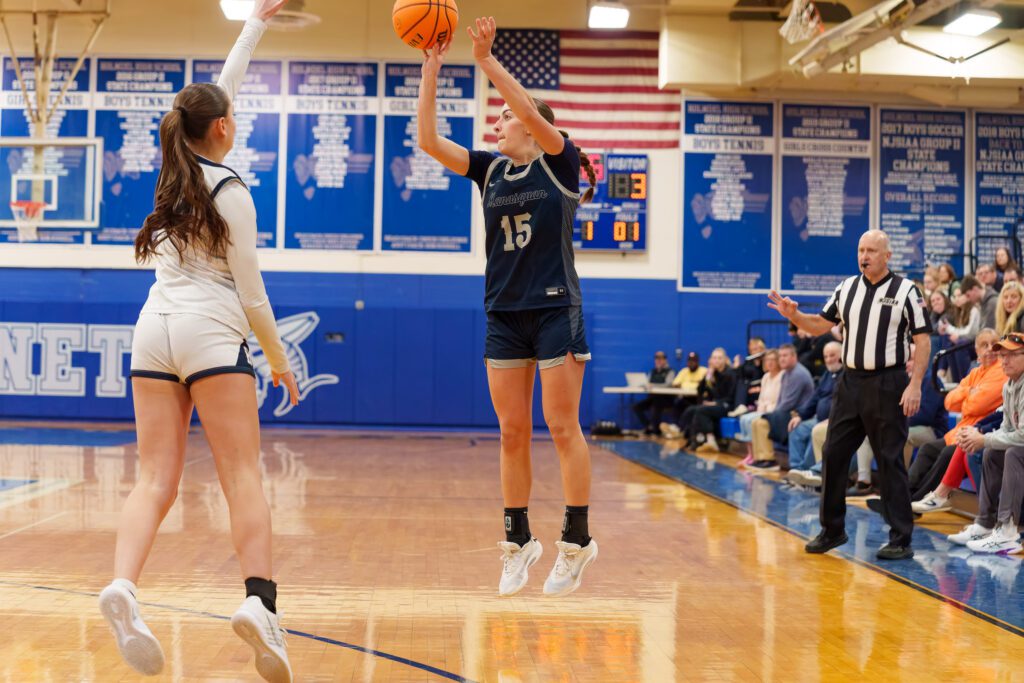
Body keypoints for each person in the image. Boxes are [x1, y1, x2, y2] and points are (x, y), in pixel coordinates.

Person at [98, 3, 298, 682]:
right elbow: (253, 296)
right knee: (242, 473)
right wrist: (278, 360)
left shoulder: (171, 170)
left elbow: (219, 89)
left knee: (154, 477)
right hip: (212, 332)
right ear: (222, 129)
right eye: (231, 116)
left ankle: (123, 585)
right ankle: (258, 603)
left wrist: (255, 27)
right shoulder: (232, 190)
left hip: (153, 331)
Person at [417, 18, 599, 597]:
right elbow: (427, 140)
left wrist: (488, 61)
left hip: (553, 310)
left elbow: (526, 108)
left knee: (561, 425)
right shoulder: (491, 171)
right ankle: (519, 541)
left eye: (502, 116)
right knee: (511, 431)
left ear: (528, 123)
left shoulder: (558, 161)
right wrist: (431, 70)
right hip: (502, 312)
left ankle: (577, 540)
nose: (496, 122)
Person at [768, 230, 931, 560]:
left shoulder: (906, 291)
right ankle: (832, 529)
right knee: (833, 451)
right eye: (860, 249)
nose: (864, 255)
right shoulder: (846, 288)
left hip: (888, 382)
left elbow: (923, 340)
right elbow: (819, 324)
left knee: (888, 457)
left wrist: (914, 385)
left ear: (887, 256)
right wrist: (794, 315)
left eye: (871, 250)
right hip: (850, 382)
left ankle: (900, 537)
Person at [910, 329, 1005, 511]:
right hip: (960, 431)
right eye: (984, 345)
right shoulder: (976, 372)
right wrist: (970, 392)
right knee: (927, 449)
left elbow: (976, 406)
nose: (990, 349)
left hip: (977, 433)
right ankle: (902, 496)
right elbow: (949, 402)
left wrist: (965, 399)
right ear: (976, 350)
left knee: (947, 454)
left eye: (994, 344)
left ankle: (915, 501)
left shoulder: (1000, 371)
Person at [950, 333, 1024, 555]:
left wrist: (984, 438)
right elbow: (1007, 428)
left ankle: (1008, 532)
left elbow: (1022, 436)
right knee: (992, 451)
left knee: (1013, 453)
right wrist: (982, 437)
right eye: (1002, 355)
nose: (1004, 360)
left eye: (1011, 355)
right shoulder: (1009, 385)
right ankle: (985, 524)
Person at [746, 343, 815, 470]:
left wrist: (772, 415)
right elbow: (781, 401)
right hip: (789, 412)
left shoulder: (798, 374)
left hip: (800, 415)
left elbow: (788, 403)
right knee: (757, 422)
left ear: (794, 357)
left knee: (762, 421)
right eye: (780, 356)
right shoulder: (787, 372)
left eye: (785, 356)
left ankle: (769, 460)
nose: (781, 359)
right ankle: (762, 458)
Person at [785, 341, 843, 479]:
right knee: (796, 428)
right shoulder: (827, 375)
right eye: (826, 356)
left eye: (832, 355)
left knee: (816, 431)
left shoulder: (848, 375)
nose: (829, 359)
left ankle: (810, 472)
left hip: (834, 421)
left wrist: (833, 418)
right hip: (819, 419)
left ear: (842, 355)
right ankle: (796, 470)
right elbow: (815, 398)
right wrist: (800, 416)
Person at [668, 347, 735, 453]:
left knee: (701, 410)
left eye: (719, 358)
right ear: (710, 360)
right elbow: (700, 390)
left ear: (725, 359)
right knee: (691, 409)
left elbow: (730, 396)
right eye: (714, 358)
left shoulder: (730, 373)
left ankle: (710, 440)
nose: (716, 360)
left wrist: (716, 402)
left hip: (726, 405)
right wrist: (707, 376)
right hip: (715, 404)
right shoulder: (713, 373)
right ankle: (689, 438)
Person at [732, 349, 782, 456]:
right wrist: (760, 409)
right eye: (767, 359)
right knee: (744, 418)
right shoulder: (765, 377)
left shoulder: (782, 377)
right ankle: (751, 454)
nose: (770, 362)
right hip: (763, 410)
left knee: (752, 420)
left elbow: (777, 400)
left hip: (774, 411)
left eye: (773, 359)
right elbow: (762, 399)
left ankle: (760, 455)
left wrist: (765, 411)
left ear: (778, 361)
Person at [633, 351, 675, 434]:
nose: (658, 360)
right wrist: (643, 385)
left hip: (665, 399)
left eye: (660, 358)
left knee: (656, 405)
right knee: (636, 407)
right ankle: (649, 426)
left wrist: (653, 385)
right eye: (656, 358)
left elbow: (668, 385)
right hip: (653, 398)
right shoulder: (652, 372)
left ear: (665, 360)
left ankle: (656, 430)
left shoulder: (670, 371)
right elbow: (648, 383)